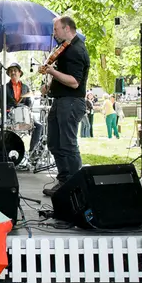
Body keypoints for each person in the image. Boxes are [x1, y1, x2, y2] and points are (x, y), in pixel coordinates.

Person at [40, 16, 90, 196]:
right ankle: (64, 181)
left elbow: (75, 82)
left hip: (71, 102)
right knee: (54, 142)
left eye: (56, 29)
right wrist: (49, 86)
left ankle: (76, 187)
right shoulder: (65, 49)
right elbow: (63, 77)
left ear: (67, 29)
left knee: (68, 145)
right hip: (60, 100)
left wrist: (52, 70)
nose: (54, 33)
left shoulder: (76, 50)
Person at [0, 62, 44, 156]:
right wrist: (8, 109)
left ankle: (32, 152)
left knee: (39, 126)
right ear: (8, 74)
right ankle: (5, 153)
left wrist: (26, 110)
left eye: (15, 70)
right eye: (11, 71)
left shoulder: (25, 87)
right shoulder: (4, 87)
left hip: (23, 116)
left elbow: (28, 103)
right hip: (8, 116)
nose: (13, 72)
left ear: (19, 73)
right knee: (1, 126)